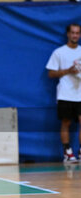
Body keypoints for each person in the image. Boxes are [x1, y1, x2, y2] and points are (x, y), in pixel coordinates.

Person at [46, 23, 81, 163]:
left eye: (77, 33)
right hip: (65, 94)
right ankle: (67, 152)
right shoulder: (59, 52)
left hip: (80, 94)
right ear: (68, 34)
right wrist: (68, 70)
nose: (75, 35)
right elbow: (51, 73)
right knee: (66, 122)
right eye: (73, 33)